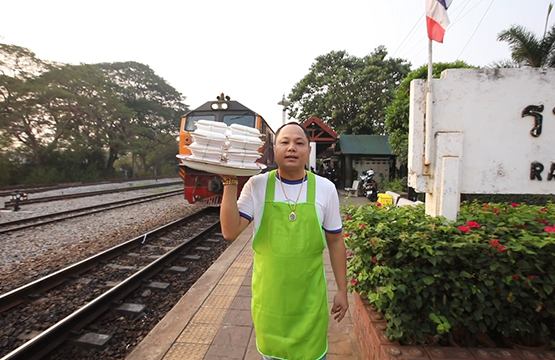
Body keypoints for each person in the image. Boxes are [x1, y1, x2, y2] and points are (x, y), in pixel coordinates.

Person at [219, 122, 348, 360]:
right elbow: (230, 231)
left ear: (309, 150)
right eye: (284, 142)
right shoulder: (257, 185)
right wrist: (229, 181)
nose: (292, 148)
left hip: (309, 302)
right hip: (270, 303)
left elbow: (336, 241)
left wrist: (342, 289)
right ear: (274, 150)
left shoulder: (325, 188)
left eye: (299, 143)